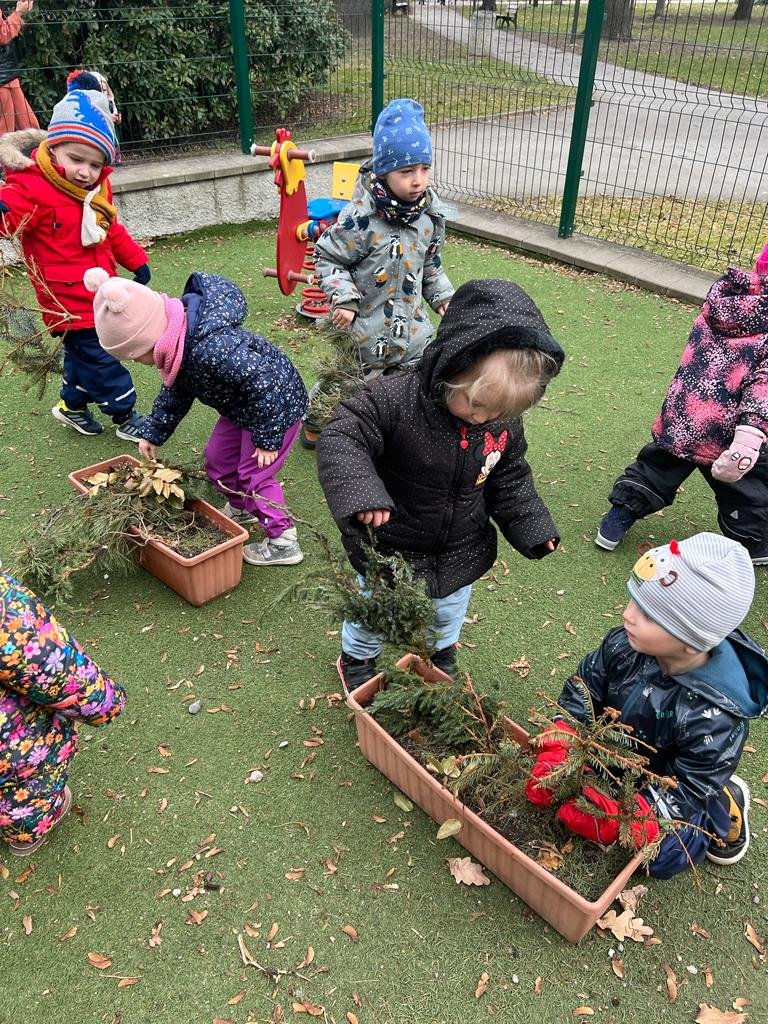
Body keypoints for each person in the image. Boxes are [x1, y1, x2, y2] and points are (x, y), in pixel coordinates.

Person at [317, 278, 564, 692]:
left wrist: (531, 524)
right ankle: (357, 657)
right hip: (391, 543)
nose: (482, 418)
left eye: (498, 412)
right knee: (374, 611)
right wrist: (363, 493)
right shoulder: (394, 398)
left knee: (448, 610)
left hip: (459, 547)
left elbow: (509, 475)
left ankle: (440, 649)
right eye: (476, 404)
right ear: (452, 366)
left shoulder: (500, 423)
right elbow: (343, 434)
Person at [526, 533, 767, 878]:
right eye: (634, 599)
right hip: (612, 761)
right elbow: (584, 689)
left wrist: (629, 818)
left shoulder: (715, 718)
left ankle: (724, 804)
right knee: (565, 789)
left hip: (669, 783)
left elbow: (687, 789)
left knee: (662, 858)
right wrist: (562, 741)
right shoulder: (623, 645)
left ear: (690, 640)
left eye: (649, 615)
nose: (627, 614)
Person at [83, 268, 309, 568]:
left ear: (150, 339)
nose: (138, 362)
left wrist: (268, 438)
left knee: (254, 476)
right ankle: (241, 507)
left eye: (135, 355)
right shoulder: (178, 347)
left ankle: (283, 540)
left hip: (277, 407)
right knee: (217, 461)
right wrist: (153, 432)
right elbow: (175, 394)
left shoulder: (211, 348)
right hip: (241, 407)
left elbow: (264, 383)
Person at [0, 77, 150, 440]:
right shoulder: (32, 187)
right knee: (101, 358)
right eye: (76, 159)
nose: (85, 171)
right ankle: (126, 414)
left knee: (84, 356)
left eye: (95, 164)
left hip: (99, 290)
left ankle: (72, 406)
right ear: (53, 149)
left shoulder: (96, 188)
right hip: (65, 299)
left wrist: (135, 260)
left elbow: (110, 228)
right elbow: (9, 218)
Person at [595, 262, 768, 564]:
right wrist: (749, 439)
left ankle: (616, 519)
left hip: (684, 412)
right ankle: (753, 543)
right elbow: (762, 389)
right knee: (747, 486)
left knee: (656, 468)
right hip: (729, 430)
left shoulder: (723, 302)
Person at [305, 98, 454, 449]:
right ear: (384, 171)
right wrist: (345, 298)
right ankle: (315, 420)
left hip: (411, 328)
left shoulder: (429, 218)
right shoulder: (361, 219)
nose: (418, 181)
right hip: (364, 327)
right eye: (407, 172)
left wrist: (442, 296)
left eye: (425, 169)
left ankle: (394, 431)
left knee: (409, 382)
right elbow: (327, 257)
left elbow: (430, 263)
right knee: (347, 380)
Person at [0, 572, 126, 856]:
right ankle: (25, 828)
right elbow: (55, 668)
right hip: (11, 744)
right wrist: (107, 704)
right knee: (25, 769)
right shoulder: (6, 609)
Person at [0, 1, 38, 136]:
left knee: (30, 127)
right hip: (3, 79)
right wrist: (18, 13)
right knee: (5, 132)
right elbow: (3, 35)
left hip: (8, 75)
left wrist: (19, 14)